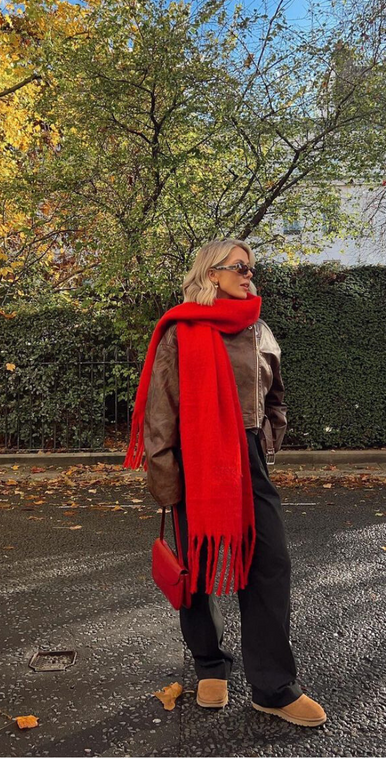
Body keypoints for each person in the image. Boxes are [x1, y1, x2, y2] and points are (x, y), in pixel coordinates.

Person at [124, 238, 327, 727]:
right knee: (198, 570)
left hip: (248, 459)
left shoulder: (260, 330)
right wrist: (168, 482)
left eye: (251, 268)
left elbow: (275, 395)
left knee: (270, 566)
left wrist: (265, 441)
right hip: (197, 464)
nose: (249, 275)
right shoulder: (180, 330)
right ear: (211, 273)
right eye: (239, 267)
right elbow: (159, 414)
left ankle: (273, 687)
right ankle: (210, 664)